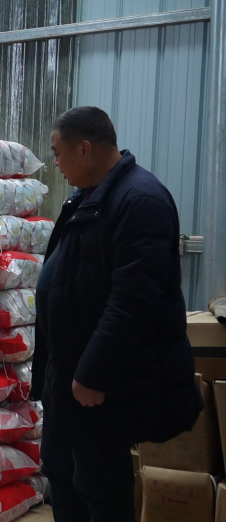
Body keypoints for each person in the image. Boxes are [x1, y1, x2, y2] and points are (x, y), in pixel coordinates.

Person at [32, 106, 203, 522]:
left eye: (57, 152)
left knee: (98, 483)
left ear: (84, 148)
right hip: (69, 374)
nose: (56, 163)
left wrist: (94, 373)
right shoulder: (89, 196)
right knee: (62, 472)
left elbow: (133, 301)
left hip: (103, 382)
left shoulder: (140, 200)